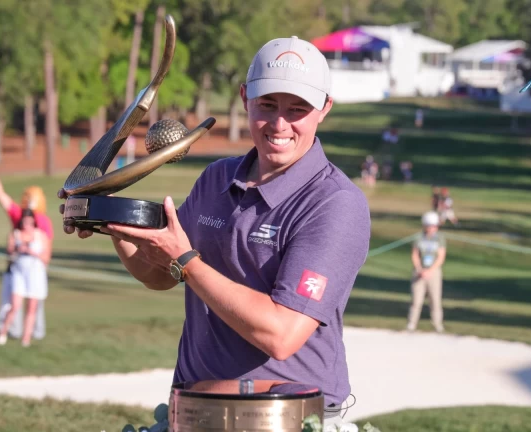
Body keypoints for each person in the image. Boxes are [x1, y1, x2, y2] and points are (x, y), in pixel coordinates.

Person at [59, 35, 371, 425]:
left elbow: (281, 334)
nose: (279, 124)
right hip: (192, 412)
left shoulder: (334, 203)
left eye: (297, 109)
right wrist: (112, 226)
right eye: (267, 105)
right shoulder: (216, 178)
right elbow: (160, 275)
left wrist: (187, 262)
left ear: (324, 108)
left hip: (287, 419)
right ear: (244, 98)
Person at [0, 164, 53, 340]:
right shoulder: (20, 216)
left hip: (35, 268)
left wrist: (40, 260)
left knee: (34, 304)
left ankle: (32, 335)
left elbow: (47, 248)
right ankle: (13, 332)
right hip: (17, 267)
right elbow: (2, 196)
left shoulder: (43, 222)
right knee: (15, 303)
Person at [0, 209, 51, 347]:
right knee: (15, 305)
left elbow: (46, 258)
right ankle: (3, 332)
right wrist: (17, 249)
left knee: (32, 307)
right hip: (19, 272)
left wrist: (32, 252)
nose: (27, 224)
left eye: (29, 220)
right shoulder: (15, 234)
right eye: (24, 220)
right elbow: (9, 254)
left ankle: (26, 339)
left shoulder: (41, 235)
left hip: (35, 274)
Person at [407, 211, 447, 333]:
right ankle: (411, 323)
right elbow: (415, 255)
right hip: (419, 271)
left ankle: (438, 324)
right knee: (416, 300)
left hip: (434, 272)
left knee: (435, 300)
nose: (431, 228)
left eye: (434, 225)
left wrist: (430, 271)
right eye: (429, 225)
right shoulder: (419, 237)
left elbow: (441, 256)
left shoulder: (440, 238)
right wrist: (420, 269)